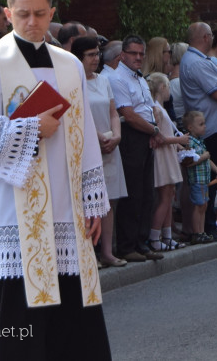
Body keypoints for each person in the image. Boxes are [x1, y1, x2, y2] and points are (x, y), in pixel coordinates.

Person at [0, 0, 110, 360]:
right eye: (23, 14)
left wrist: (92, 202)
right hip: (13, 209)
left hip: (64, 205)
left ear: (52, 12)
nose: (32, 22)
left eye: (40, 14)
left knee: (71, 326)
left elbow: (85, 134)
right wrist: (29, 127)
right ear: (8, 14)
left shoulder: (69, 64)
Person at [71, 36, 127, 268]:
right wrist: (98, 137)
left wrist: (116, 135)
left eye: (97, 53)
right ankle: (89, 253)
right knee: (87, 201)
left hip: (109, 143)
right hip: (88, 145)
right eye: (91, 55)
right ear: (79, 57)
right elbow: (78, 115)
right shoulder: (74, 81)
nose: (96, 58)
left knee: (109, 201)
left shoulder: (103, 81)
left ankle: (106, 251)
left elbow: (113, 112)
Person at [111, 35, 164, 262]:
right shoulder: (118, 79)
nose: (139, 57)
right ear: (123, 55)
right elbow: (129, 115)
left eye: (141, 53)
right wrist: (152, 131)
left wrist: (153, 129)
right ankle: (126, 245)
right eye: (133, 53)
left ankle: (142, 242)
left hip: (147, 134)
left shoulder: (140, 78)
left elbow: (151, 107)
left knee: (146, 192)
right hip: (132, 137)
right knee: (132, 193)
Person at [181, 22, 217, 242]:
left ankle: (210, 224)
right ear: (205, 37)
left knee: (212, 179)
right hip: (209, 128)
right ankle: (208, 225)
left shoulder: (196, 60)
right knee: (209, 181)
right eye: (211, 35)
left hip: (211, 125)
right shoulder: (196, 63)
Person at [145, 72, 188, 251]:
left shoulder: (160, 108)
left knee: (169, 196)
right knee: (164, 197)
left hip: (168, 154)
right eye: (168, 86)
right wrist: (179, 141)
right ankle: (155, 237)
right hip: (163, 156)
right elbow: (159, 137)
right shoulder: (156, 109)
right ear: (162, 87)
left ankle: (167, 236)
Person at [183, 110, 217, 244]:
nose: (204, 126)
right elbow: (188, 162)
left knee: (204, 205)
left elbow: (208, 159)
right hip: (197, 179)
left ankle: (201, 231)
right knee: (199, 205)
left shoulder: (200, 142)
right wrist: (203, 157)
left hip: (204, 179)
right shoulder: (189, 142)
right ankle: (197, 232)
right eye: (201, 124)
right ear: (190, 127)